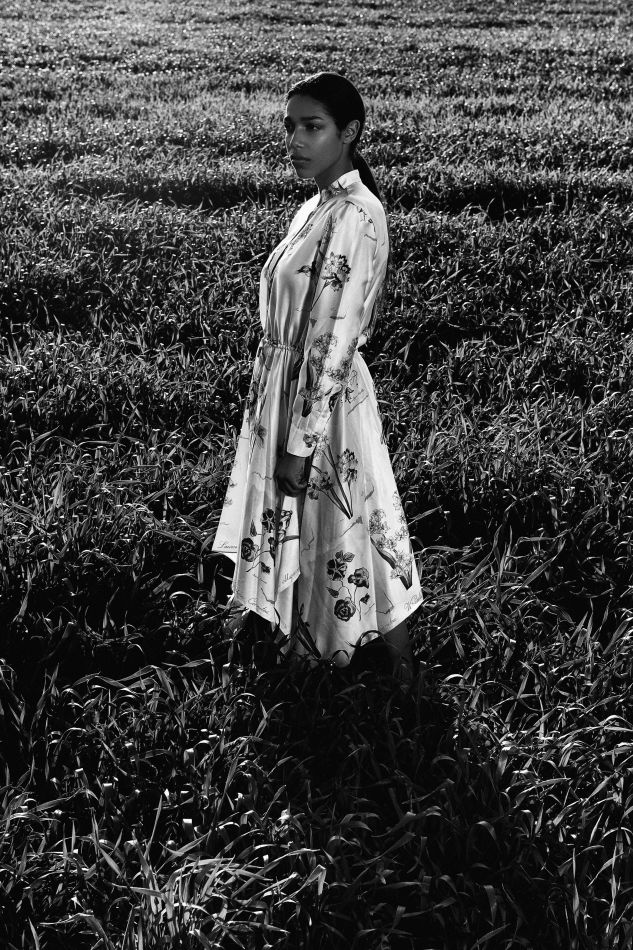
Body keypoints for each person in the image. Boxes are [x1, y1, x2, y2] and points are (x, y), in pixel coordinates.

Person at [212, 72, 423, 679]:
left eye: (313, 127)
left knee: (351, 522)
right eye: (290, 127)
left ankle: (392, 669)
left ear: (349, 132)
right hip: (286, 387)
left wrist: (300, 442)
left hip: (321, 402)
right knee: (322, 519)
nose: (296, 141)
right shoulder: (319, 205)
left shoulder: (355, 214)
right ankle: (302, 640)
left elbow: (334, 337)